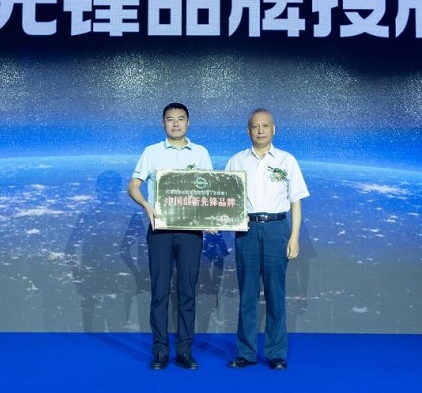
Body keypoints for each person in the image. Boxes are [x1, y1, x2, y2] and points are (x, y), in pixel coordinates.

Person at [128, 102, 213, 370]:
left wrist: (212, 219)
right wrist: (147, 205)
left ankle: (185, 350)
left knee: (187, 292)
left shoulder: (200, 153)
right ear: (163, 123)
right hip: (160, 230)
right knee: (160, 292)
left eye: (180, 119)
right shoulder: (151, 152)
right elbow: (133, 186)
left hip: (191, 232)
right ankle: (160, 351)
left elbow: (210, 190)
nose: (175, 123)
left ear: (188, 122)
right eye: (170, 119)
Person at [225, 109, 309, 370]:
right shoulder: (236, 161)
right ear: (248, 130)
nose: (260, 130)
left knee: (275, 293)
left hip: (276, 229)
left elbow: (295, 202)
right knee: (247, 294)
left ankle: (276, 353)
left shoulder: (287, 160)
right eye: (255, 126)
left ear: (274, 129)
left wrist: (294, 237)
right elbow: (226, 199)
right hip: (247, 230)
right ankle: (246, 353)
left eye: (265, 126)